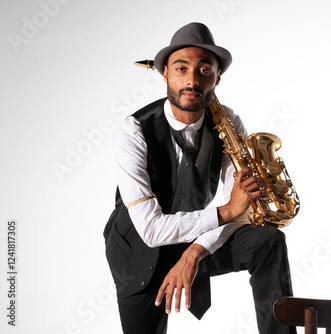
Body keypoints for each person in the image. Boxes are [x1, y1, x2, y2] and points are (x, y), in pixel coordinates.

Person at [103, 22, 296, 334]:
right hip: (139, 251)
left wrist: (195, 251)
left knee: (268, 241)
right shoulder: (134, 132)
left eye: (204, 70)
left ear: (217, 78)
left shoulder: (228, 122)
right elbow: (152, 231)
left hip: (196, 239)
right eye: (181, 68)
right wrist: (228, 211)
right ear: (164, 73)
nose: (192, 80)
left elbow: (242, 203)